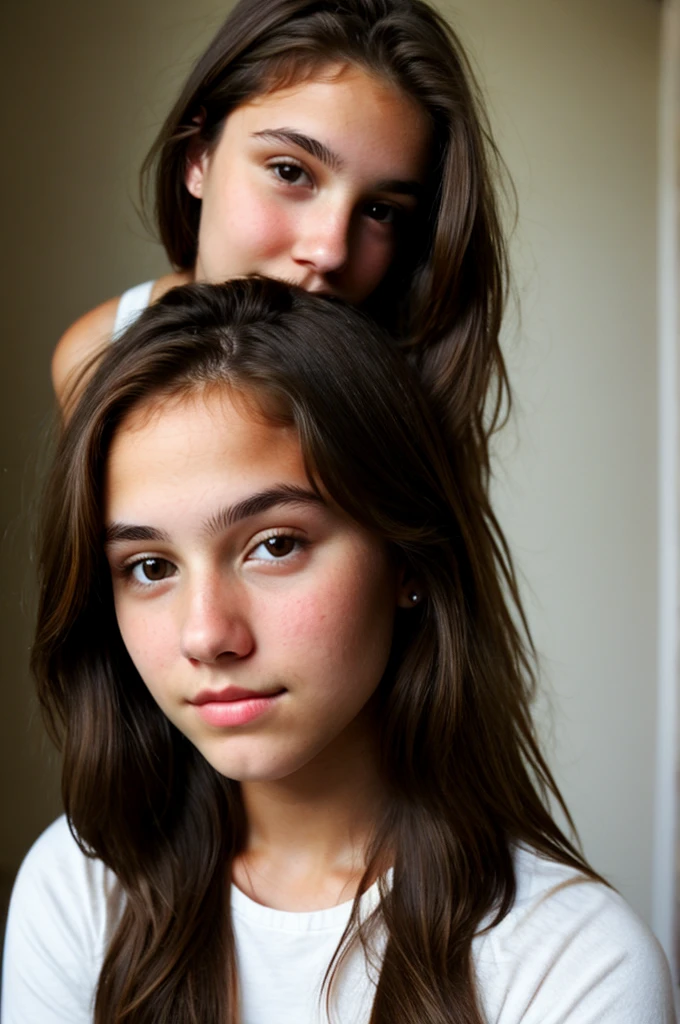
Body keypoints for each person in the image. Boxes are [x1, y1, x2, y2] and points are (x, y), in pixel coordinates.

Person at [3, 279, 674, 1023]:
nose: (205, 635)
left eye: (275, 546)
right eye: (151, 567)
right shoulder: (78, 889)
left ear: (408, 561)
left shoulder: (573, 967)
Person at [52, 0, 510, 471]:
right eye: (290, 172)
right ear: (198, 159)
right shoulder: (98, 354)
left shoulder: (406, 389)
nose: (329, 251)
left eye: (380, 210)